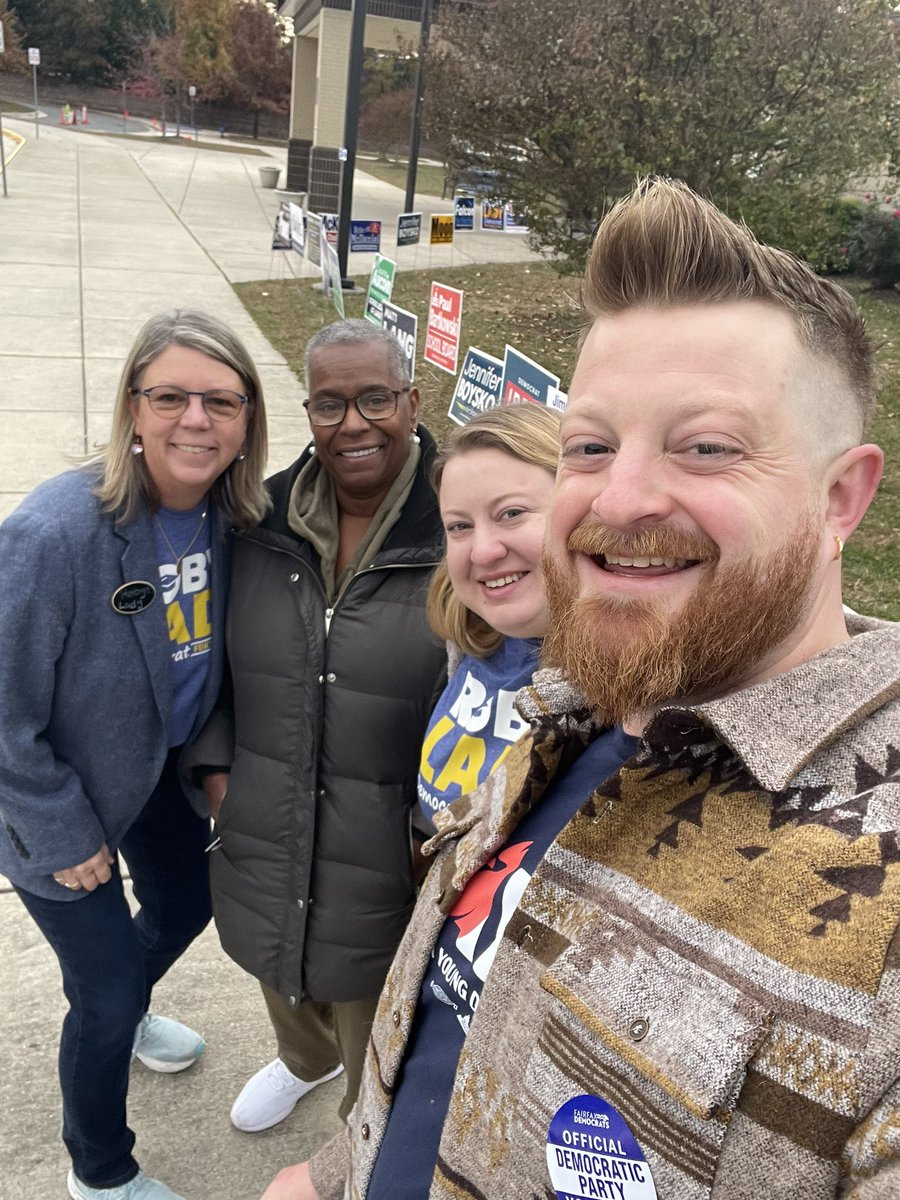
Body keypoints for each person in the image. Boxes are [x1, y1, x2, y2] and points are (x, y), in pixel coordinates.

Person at [261, 178, 900, 1200]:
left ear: (841, 497)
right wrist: (337, 1170)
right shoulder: (568, 715)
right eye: (591, 447)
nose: (621, 496)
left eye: (707, 447)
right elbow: (460, 1011)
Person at [0, 309, 269, 1200]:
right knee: (106, 993)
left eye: (221, 401)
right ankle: (100, 1171)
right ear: (133, 409)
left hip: (160, 768)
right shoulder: (55, 534)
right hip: (55, 794)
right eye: (172, 397)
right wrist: (58, 829)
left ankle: (122, 1006)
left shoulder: (233, 522)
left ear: (246, 421)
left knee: (188, 901)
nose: (197, 419)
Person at [188, 318, 446, 1136]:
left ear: (411, 400)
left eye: (375, 398)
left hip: (392, 848)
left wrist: (431, 829)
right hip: (263, 816)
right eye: (330, 404)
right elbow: (212, 669)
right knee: (279, 961)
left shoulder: (462, 526)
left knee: (379, 1036)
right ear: (307, 413)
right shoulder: (256, 521)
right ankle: (304, 1061)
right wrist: (221, 774)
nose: (354, 423)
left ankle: (358, 1141)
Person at [417, 403, 561, 836]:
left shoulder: (622, 698)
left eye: (511, 514)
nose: (483, 551)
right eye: (459, 526)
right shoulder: (478, 638)